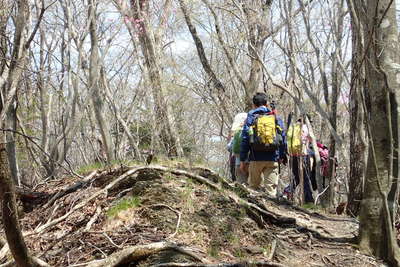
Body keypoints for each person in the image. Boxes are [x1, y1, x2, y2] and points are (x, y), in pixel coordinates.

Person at [239, 92, 286, 197]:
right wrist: (281, 156)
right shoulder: (275, 118)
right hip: (272, 159)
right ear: (266, 103)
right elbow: (283, 138)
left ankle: (254, 211)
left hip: (255, 158)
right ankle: (273, 211)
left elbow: (245, 139)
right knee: (271, 191)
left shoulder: (251, 118)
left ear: (254, 104)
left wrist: (243, 160)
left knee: (253, 189)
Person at [227, 113, 248, 183]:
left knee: (241, 185)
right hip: (251, 163)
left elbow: (229, 147)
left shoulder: (237, 131)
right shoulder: (251, 130)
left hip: (238, 163)